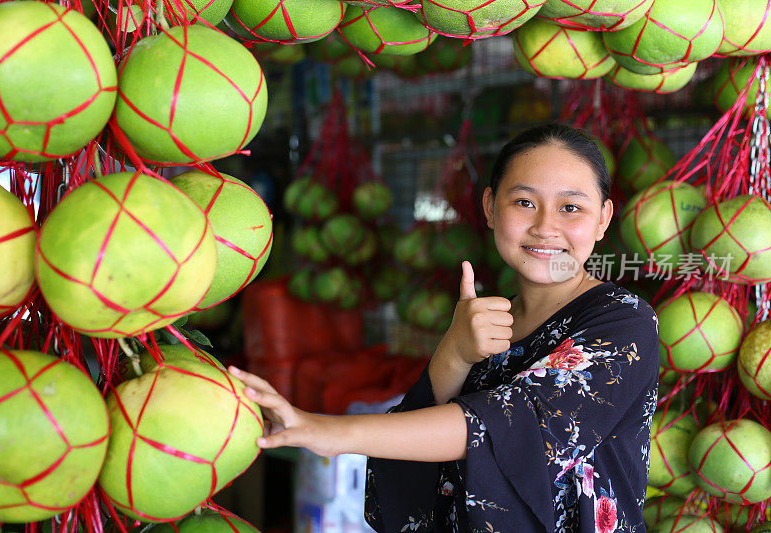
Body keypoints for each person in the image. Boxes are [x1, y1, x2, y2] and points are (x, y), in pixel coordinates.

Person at [228, 123, 659, 533]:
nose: (545, 226)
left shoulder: (625, 322)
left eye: (571, 207)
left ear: (603, 218)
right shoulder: (483, 320)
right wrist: (453, 353)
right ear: (491, 207)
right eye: (524, 202)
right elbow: (419, 435)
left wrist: (327, 431)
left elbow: (509, 427)